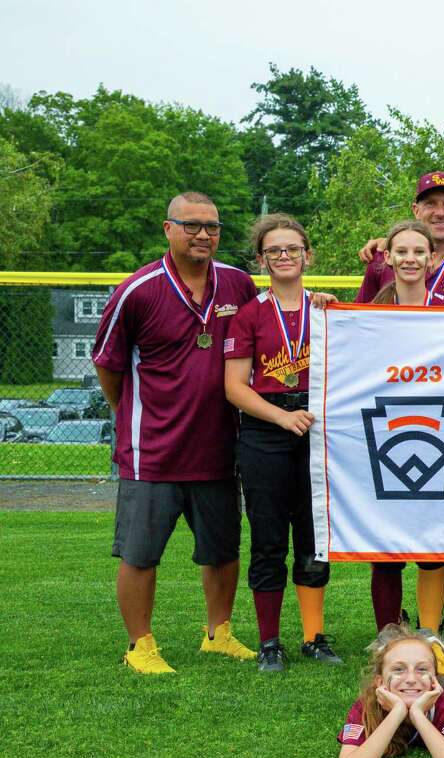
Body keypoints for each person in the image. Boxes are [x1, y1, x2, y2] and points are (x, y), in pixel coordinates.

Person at [92, 191, 257, 673]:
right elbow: (108, 365)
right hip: (153, 451)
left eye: (212, 226)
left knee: (223, 549)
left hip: (219, 447)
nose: (204, 234)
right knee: (141, 554)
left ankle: (219, 632)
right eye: (192, 225)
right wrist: (128, 412)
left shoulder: (237, 284)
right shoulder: (137, 289)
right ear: (168, 228)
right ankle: (140, 645)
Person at [223, 213, 342, 672]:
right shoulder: (250, 313)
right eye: (274, 250)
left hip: (316, 426)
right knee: (269, 539)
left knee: (314, 537)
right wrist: (280, 416)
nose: (285, 256)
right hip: (266, 429)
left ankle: (314, 636)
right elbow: (235, 387)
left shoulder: (328, 309)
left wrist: (303, 417)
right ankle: (270, 641)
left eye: (293, 248)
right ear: (261, 260)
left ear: (308, 255)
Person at [368, 220, 444, 639]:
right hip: (384, 431)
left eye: (418, 252)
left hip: (438, 432)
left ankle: (429, 631)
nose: (410, 259)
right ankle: (387, 631)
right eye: (401, 251)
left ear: (432, 258)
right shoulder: (367, 317)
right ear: (387, 257)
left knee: (431, 542)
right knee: (385, 546)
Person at [337, 623, 444, 758]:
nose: (411, 679)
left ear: (434, 679)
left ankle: (437, 649)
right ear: (380, 682)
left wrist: (417, 714)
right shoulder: (366, 706)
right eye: (398, 669)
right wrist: (397, 712)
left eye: (422, 669)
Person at [354, 171, 444, 305]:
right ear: (416, 210)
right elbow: (359, 319)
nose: (440, 213)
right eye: (430, 204)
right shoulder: (380, 262)